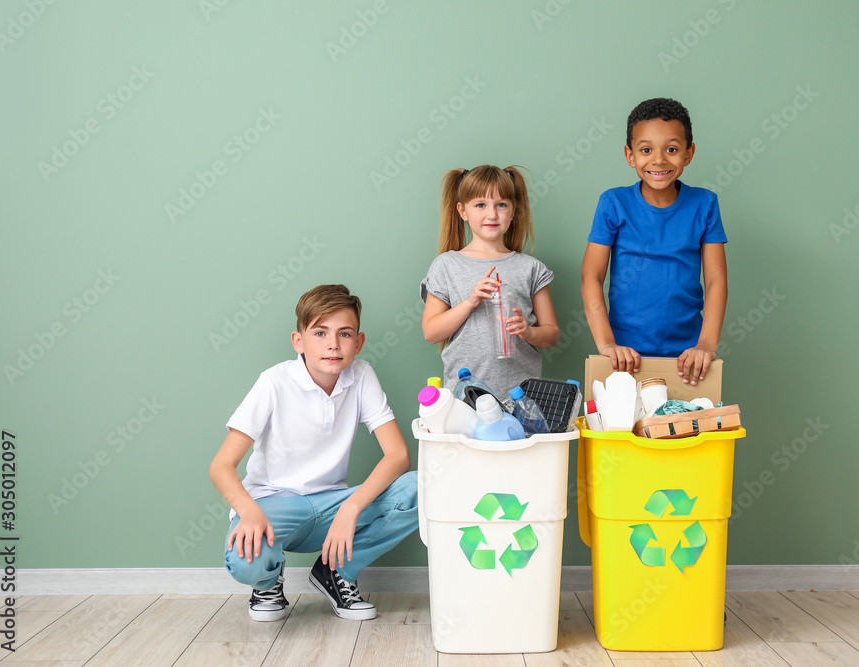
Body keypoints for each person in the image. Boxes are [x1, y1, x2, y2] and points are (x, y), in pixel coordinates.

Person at [209, 284, 417, 622]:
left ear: (358, 342)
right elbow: (221, 466)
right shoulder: (274, 382)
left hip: (332, 505)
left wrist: (350, 507)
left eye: (344, 334)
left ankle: (336, 572)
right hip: (274, 505)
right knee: (247, 561)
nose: (333, 344)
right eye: (320, 332)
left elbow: (398, 456)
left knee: (420, 488)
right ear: (299, 341)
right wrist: (249, 512)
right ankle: (266, 581)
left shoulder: (361, 375)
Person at [581, 98, 728, 386]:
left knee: (686, 429)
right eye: (646, 150)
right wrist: (607, 344)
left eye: (671, 149)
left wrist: (706, 345)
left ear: (689, 153)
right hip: (624, 356)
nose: (659, 160)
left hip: (688, 357)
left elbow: (716, 280)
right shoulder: (613, 203)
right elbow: (591, 276)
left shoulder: (705, 204)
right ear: (630, 155)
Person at [421, 165, 559, 400]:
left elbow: (552, 334)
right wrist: (470, 302)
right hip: (465, 397)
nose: (492, 214)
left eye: (501, 205)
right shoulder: (446, 265)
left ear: (514, 210)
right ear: (462, 211)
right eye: (480, 205)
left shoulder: (531, 268)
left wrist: (528, 332)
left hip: (523, 398)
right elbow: (431, 333)